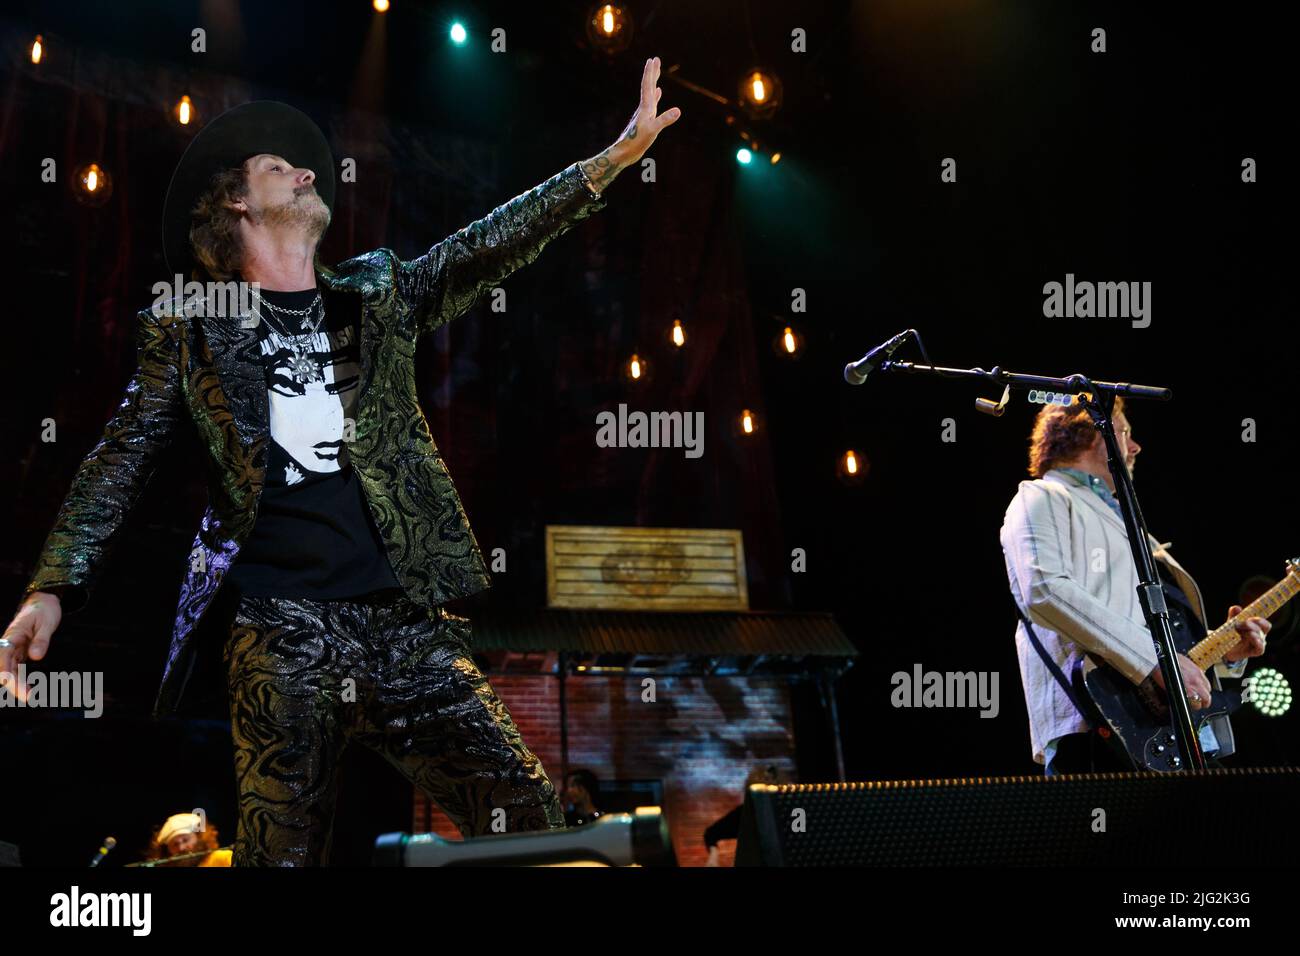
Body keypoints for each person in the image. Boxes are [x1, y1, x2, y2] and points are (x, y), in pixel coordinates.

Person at [3, 58, 681, 865]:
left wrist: (607, 163)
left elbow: (486, 244)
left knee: (542, 828)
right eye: (275, 166)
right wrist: (52, 584)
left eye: (304, 164)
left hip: (404, 627)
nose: (302, 170)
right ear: (235, 201)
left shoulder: (377, 290)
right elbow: (123, 454)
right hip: (280, 633)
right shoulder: (190, 326)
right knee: (280, 861)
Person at [1000, 397, 1270, 775]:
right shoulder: (1041, 496)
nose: (1135, 447)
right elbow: (1043, 588)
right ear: (1094, 437)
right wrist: (1153, 661)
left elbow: (1140, 627)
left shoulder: (1127, 525)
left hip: (1159, 730)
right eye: (1125, 433)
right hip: (1091, 727)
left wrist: (1225, 654)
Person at [143, 812, 231, 867]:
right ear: (167, 851)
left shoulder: (223, 858)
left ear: (199, 837)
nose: (181, 848)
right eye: (175, 844)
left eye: (185, 840)